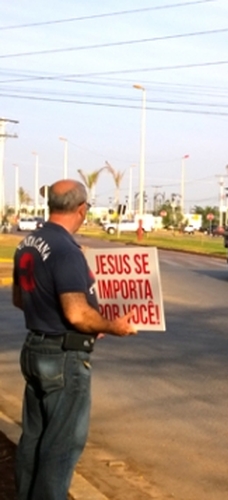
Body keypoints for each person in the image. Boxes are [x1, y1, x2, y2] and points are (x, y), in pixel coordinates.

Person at [12, 180, 138, 500]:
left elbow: (19, 299)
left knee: (35, 439)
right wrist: (113, 326)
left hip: (34, 349)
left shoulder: (27, 243)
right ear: (81, 209)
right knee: (61, 446)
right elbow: (77, 314)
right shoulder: (67, 251)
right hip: (63, 356)